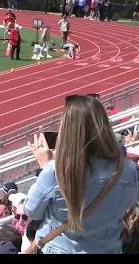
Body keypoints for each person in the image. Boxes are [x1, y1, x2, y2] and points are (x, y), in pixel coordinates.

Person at [25, 95, 138, 253]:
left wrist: (47, 166)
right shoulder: (127, 170)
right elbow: (129, 203)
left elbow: (31, 210)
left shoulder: (55, 172)